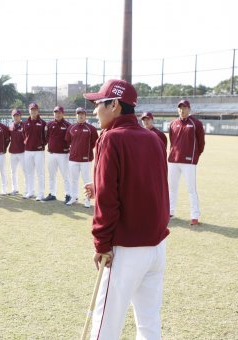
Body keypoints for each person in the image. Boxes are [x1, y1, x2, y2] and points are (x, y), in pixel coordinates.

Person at [83, 79, 170, 340]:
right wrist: (98, 187)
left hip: (126, 248)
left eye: (99, 103)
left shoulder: (110, 139)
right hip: (156, 248)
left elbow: (108, 201)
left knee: (104, 326)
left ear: (115, 105)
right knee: (149, 323)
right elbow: (149, 188)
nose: (95, 110)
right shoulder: (153, 138)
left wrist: (101, 243)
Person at [168, 99, 205, 225]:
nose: (182, 110)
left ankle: (194, 216)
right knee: (172, 188)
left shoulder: (196, 123)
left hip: (189, 162)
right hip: (173, 160)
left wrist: (194, 157)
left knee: (191, 189)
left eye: (184, 108)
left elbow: (201, 143)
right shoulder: (172, 123)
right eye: (180, 108)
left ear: (189, 109)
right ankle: (170, 211)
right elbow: (172, 141)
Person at [65, 107, 98, 207]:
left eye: (82, 114)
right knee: (73, 180)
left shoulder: (91, 128)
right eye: (78, 114)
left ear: (85, 116)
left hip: (86, 159)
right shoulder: (71, 128)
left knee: (86, 181)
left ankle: (87, 199)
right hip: (73, 159)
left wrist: (85, 151)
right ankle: (74, 197)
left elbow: (94, 142)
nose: (80, 116)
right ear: (76, 115)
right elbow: (68, 141)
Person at [44, 105, 71, 203]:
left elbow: (70, 140)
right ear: (53, 113)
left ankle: (68, 195)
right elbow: (47, 137)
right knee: (52, 175)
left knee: (66, 176)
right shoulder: (49, 124)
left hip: (63, 154)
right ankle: (52, 194)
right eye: (56, 112)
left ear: (63, 113)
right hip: (51, 154)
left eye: (59, 112)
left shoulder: (67, 125)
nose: (57, 114)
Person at [23, 102, 47, 201]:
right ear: (29, 111)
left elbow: (46, 137)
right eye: (32, 110)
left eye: (35, 110)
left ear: (38, 111)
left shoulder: (42, 123)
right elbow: (24, 135)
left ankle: (40, 194)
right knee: (29, 172)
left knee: (40, 173)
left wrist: (41, 145)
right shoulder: (26, 123)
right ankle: (30, 191)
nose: (33, 111)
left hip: (39, 151)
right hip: (28, 151)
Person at [8, 109, 26, 195]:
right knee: (13, 172)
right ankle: (14, 189)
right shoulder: (11, 127)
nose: (16, 117)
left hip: (22, 152)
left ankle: (28, 190)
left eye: (18, 115)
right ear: (12, 116)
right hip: (13, 152)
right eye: (14, 116)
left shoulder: (24, 126)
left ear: (20, 116)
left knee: (25, 171)